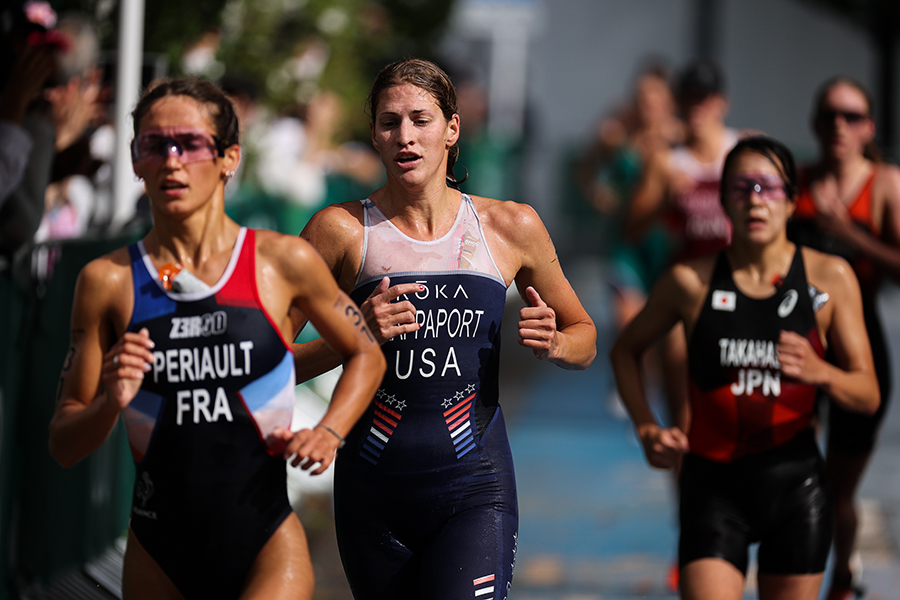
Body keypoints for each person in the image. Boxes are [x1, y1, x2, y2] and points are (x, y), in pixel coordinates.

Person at [47, 77, 386, 600]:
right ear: (136, 162)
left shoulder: (281, 261)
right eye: (155, 145)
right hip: (158, 552)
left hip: (265, 545)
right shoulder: (107, 281)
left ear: (229, 158)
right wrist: (110, 402)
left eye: (191, 143)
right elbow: (64, 443)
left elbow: (365, 352)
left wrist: (330, 431)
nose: (172, 159)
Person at [292, 58, 597, 599]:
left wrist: (555, 343)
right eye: (389, 123)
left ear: (452, 129)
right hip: (373, 494)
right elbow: (266, 360)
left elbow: (585, 336)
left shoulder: (509, 226)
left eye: (420, 119)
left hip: (474, 488)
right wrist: (352, 337)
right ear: (374, 136)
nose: (404, 137)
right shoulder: (339, 231)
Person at [610, 135, 880, 600]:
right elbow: (625, 351)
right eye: (740, 188)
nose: (755, 200)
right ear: (723, 202)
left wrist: (822, 372)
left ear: (793, 202)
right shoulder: (689, 281)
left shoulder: (830, 277)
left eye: (768, 187)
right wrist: (647, 427)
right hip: (713, 488)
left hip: (795, 489)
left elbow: (868, 392)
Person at [785, 76, 900, 600]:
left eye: (852, 116)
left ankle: (842, 577)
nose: (839, 125)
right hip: (795, 345)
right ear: (814, 122)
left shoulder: (885, 185)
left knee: (838, 488)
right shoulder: (796, 181)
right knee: (792, 476)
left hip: (859, 351)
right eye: (830, 114)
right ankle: (795, 575)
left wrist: (847, 232)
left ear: (868, 127)